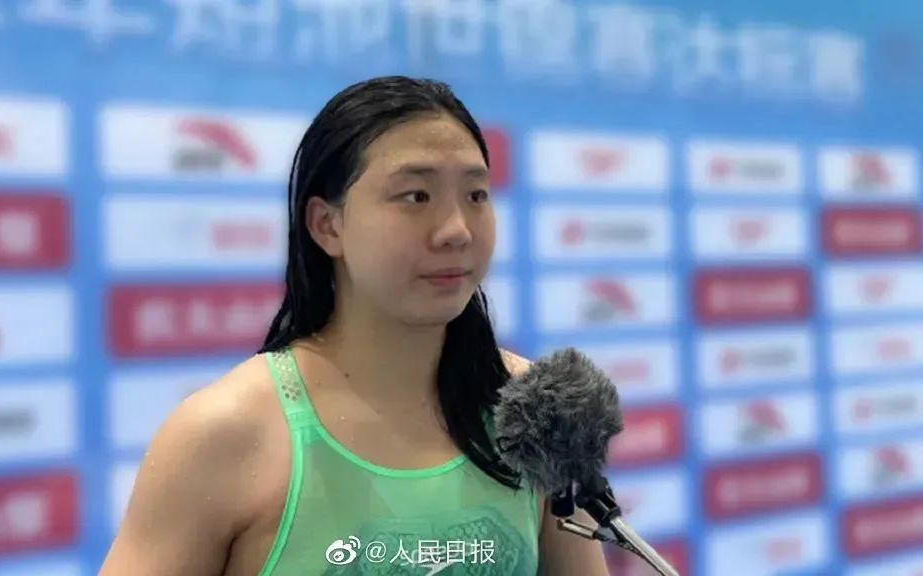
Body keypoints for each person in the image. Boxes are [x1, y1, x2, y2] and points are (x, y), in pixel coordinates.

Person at [99, 76, 610, 575]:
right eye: (417, 196)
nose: (456, 230)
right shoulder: (224, 432)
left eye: (476, 196)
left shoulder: (532, 414)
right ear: (327, 225)